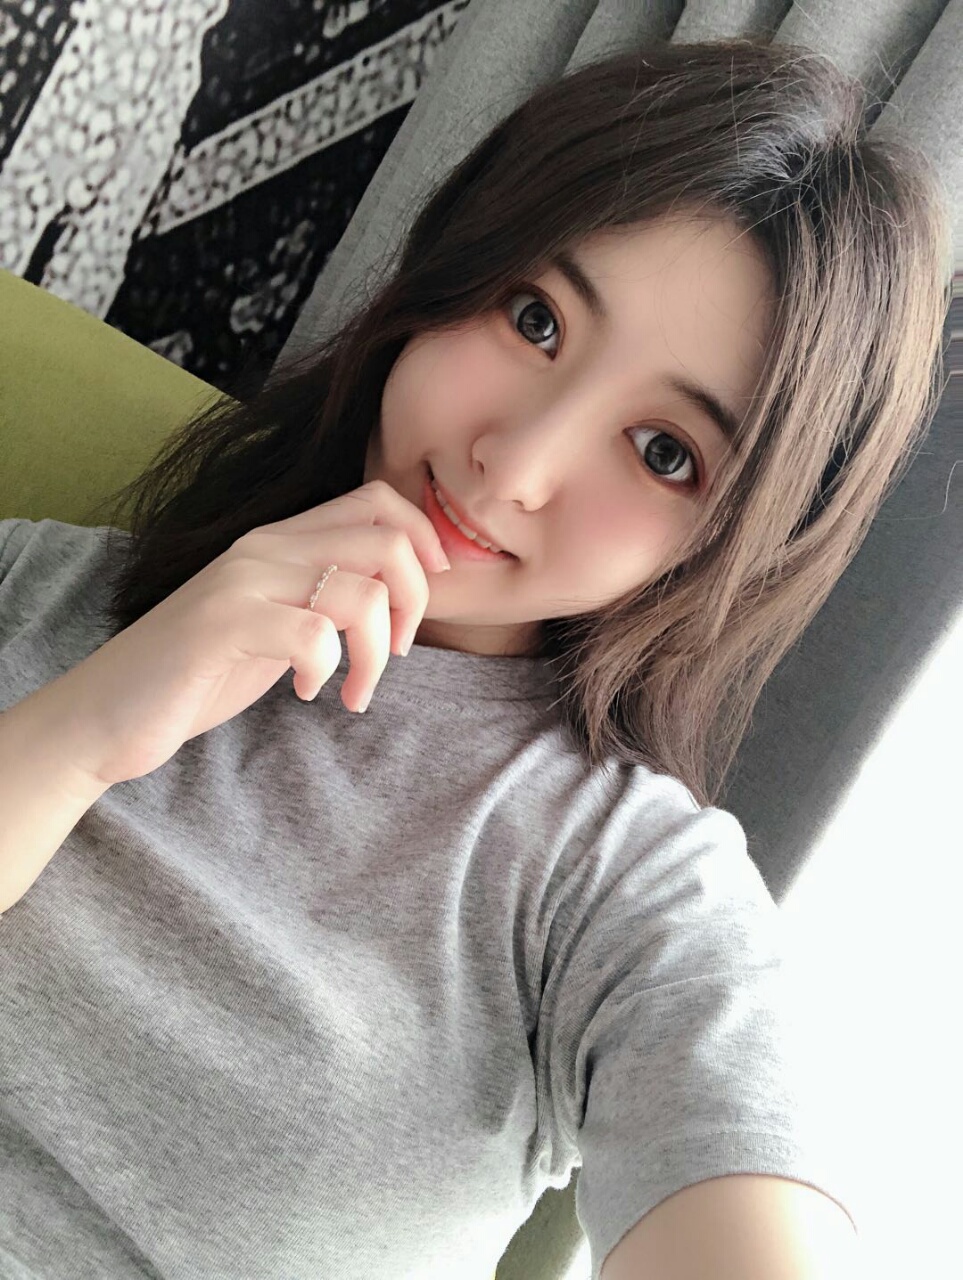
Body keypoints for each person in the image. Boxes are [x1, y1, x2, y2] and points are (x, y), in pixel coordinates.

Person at [0, 38, 951, 1280]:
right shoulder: (36, 579)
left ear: (728, 543)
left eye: (664, 451)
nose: (519, 463)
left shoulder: (621, 890)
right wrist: (82, 730)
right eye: (535, 318)